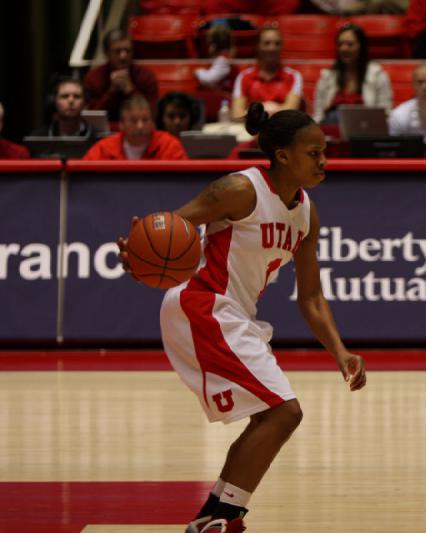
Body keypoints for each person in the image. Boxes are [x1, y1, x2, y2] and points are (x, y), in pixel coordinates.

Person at [117, 104, 367, 533]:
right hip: (203, 304)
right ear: (283, 155)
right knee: (284, 413)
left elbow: (310, 297)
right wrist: (139, 252)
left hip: (234, 314)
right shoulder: (240, 189)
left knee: (270, 417)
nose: (324, 160)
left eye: (324, 151)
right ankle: (225, 517)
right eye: (313, 152)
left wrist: (341, 353)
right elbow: (173, 228)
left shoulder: (307, 212)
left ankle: (213, 517)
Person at [312, 23, 393, 124]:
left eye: (350, 44)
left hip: (365, 131)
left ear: (361, 47)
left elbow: (385, 114)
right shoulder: (327, 76)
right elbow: (318, 115)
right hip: (332, 131)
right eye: (340, 44)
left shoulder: (378, 75)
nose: (343, 49)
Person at [83, 29, 159, 123]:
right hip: (103, 132)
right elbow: (92, 118)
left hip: (139, 130)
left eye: (127, 51)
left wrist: (130, 90)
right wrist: (112, 92)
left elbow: (151, 115)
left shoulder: (146, 76)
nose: (123, 56)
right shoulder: (93, 78)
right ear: (106, 53)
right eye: (117, 51)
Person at [83, 95, 188, 160]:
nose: (140, 126)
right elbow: (83, 176)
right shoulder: (105, 148)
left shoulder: (170, 146)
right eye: (133, 121)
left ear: (152, 122)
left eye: (145, 120)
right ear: (121, 125)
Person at [231, 26, 303, 120]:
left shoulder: (294, 76)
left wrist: (255, 112)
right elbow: (237, 114)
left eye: (277, 43)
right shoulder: (244, 77)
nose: (272, 48)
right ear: (258, 46)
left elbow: (291, 112)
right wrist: (274, 109)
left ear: (281, 47)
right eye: (267, 43)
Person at [30, 78, 98, 142]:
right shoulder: (38, 138)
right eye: (64, 96)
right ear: (55, 102)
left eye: (77, 96)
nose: (71, 101)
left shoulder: (96, 138)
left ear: (84, 103)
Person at [195, 25, 235, 91]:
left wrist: (198, 71)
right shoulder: (224, 57)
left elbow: (208, 79)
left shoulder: (222, 60)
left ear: (213, 46)